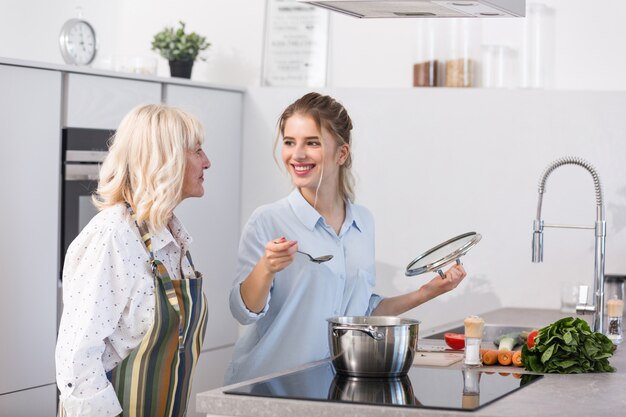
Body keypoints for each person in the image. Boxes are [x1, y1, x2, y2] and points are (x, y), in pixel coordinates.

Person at [225, 92, 466, 384]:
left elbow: (362, 312)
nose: (296, 154)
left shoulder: (363, 222)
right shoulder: (268, 220)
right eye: (290, 142)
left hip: (332, 387)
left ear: (341, 153)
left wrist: (428, 291)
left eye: (311, 143)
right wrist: (266, 267)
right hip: (269, 387)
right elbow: (243, 312)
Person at [55, 104, 211, 417]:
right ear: (166, 160)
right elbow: (78, 363)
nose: (207, 162)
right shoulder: (113, 236)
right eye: (197, 151)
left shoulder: (171, 238)